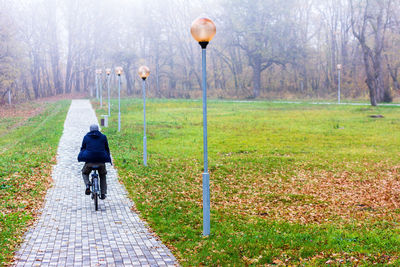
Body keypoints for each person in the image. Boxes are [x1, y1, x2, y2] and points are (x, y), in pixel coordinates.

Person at [77, 124, 111, 200]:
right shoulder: (103, 137)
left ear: (90, 130)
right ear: (98, 129)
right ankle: (103, 193)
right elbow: (106, 148)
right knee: (102, 175)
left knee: (84, 173)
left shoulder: (86, 137)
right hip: (101, 161)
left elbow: (83, 148)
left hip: (90, 162)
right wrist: (108, 158)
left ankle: (87, 185)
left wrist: (83, 155)